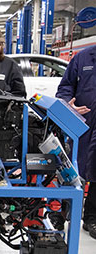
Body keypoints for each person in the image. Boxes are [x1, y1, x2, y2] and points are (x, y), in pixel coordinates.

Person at [55, 45, 96, 238]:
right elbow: (65, 87)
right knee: (70, 168)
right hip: (81, 124)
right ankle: (61, 214)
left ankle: (91, 218)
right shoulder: (83, 58)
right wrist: (67, 105)